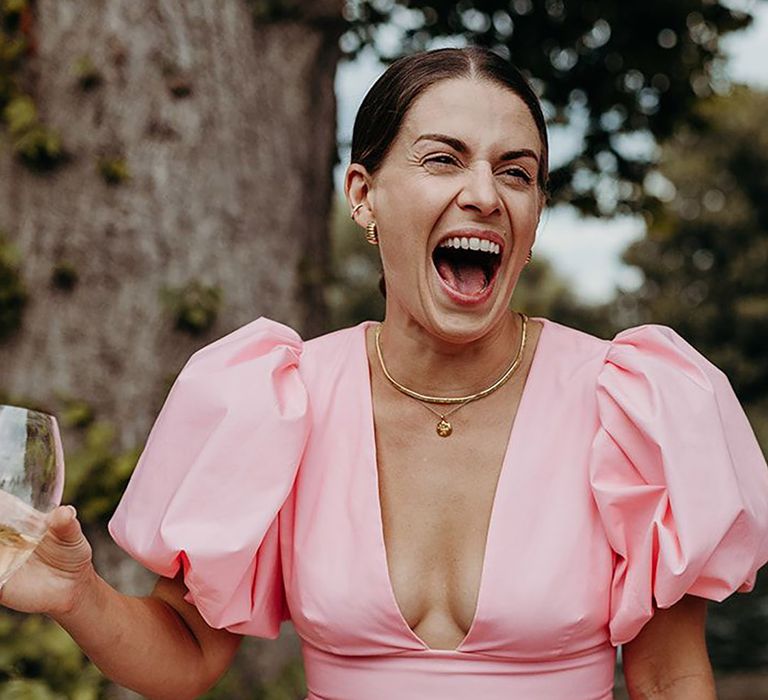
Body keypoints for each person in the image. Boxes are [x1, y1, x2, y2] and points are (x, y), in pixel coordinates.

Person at [2, 47, 768, 700]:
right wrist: (80, 595)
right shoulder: (275, 400)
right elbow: (188, 652)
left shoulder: (630, 404)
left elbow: (668, 679)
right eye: (443, 159)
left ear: (534, 214)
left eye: (517, 173)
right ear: (363, 195)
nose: (483, 195)